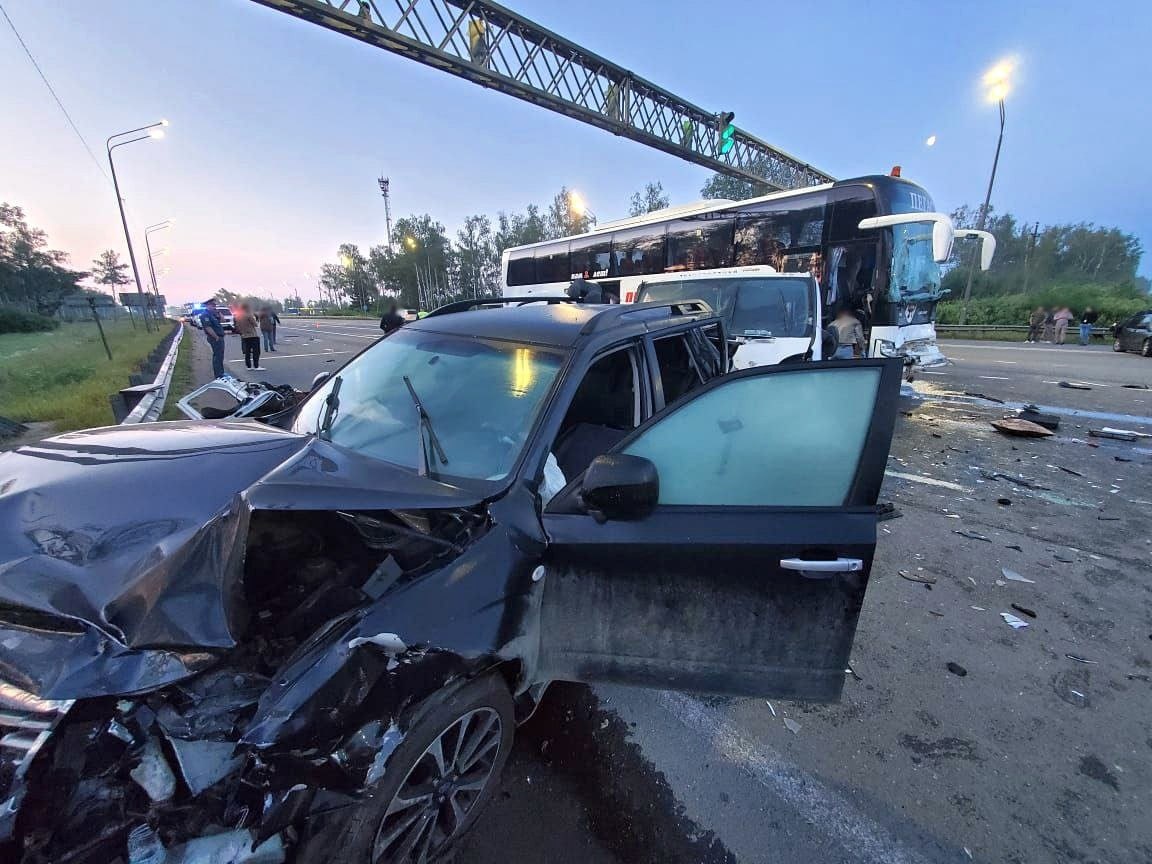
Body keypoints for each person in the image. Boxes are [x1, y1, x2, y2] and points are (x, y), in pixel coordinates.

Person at [200, 298, 227, 379]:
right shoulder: (205, 315)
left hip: (219, 337)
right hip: (215, 338)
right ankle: (218, 375)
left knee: (220, 356)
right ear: (208, 305)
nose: (215, 307)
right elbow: (208, 327)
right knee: (217, 356)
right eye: (213, 305)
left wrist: (219, 312)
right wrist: (216, 337)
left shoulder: (213, 314)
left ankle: (221, 373)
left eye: (215, 305)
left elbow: (223, 320)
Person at [234, 302, 264, 371]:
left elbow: (237, 326)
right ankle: (256, 366)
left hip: (244, 335)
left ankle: (248, 366)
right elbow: (255, 324)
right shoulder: (248, 315)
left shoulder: (238, 316)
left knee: (247, 352)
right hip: (252, 335)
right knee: (256, 351)